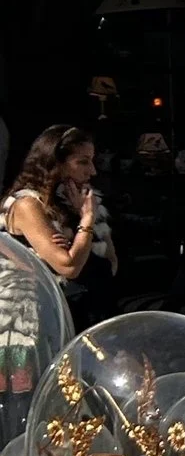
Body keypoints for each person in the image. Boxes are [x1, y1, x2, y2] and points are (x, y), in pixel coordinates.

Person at [6, 126, 115, 325]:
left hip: (89, 313)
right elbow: (69, 267)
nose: (92, 171)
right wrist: (86, 220)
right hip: (40, 320)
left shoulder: (79, 202)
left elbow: (111, 261)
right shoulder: (27, 205)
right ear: (55, 163)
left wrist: (84, 222)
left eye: (92, 161)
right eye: (83, 162)